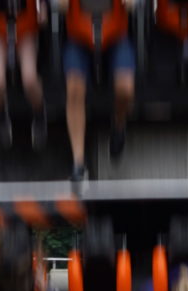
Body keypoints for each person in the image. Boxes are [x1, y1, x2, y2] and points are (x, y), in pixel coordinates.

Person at [60, 0, 134, 190]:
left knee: (125, 88)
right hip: (79, 36)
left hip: (115, 34)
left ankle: (119, 125)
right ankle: (78, 162)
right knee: (74, 88)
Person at [0, 0, 47, 146]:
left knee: (30, 79)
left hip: (25, 28)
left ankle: (39, 114)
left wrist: (43, 7)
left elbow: (43, 15)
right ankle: (0, 114)